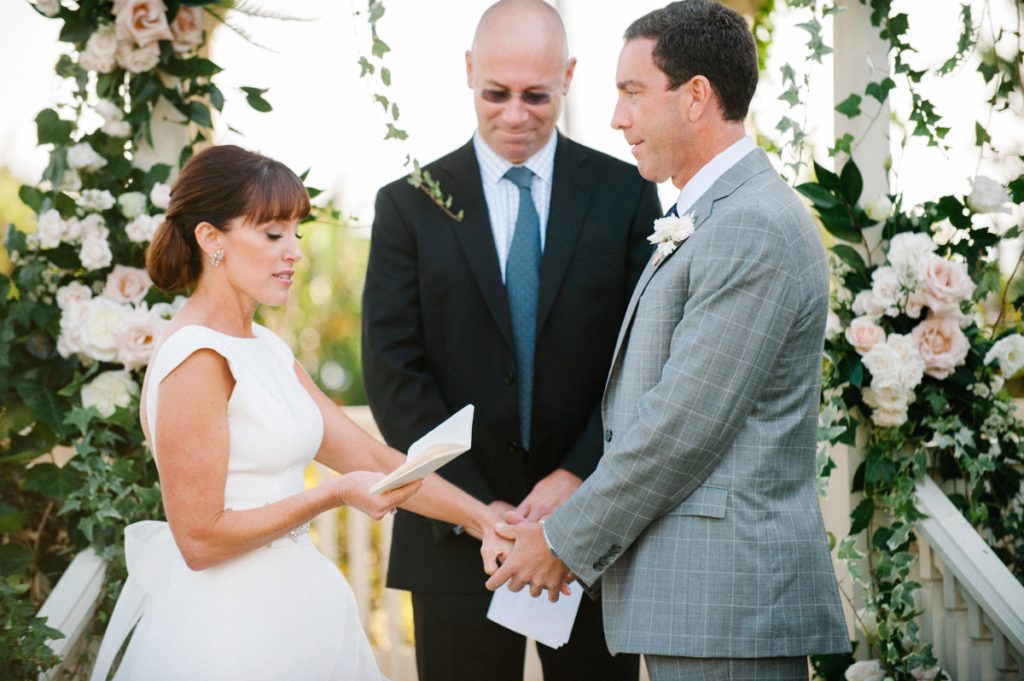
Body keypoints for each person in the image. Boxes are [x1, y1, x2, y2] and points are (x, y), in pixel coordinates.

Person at [485, 2, 852, 679]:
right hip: (700, 604)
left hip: (729, 607)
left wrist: (562, 540)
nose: (617, 119)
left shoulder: (750, 225)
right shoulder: (708, 215)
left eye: (630, 93)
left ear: (696, 97)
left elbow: (681, 425)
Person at [90, 145, 510, 681]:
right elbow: (198, 539)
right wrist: (331, 493)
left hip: (297, 610)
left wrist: (487, 521)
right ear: (210, 238)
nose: (294, 252)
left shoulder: (264, 347)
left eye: (297, 233)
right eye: (272, 234)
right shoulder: (195, 356)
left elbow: (372, 457)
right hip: (229, 630)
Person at [361, 0, 662, 678]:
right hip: (452, 540)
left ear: (569, 76)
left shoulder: (626, 193)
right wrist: (474, 507)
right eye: (496, 93)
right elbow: (392, 371)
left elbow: (644, 356)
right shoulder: (408, 204)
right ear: (468, 71)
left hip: (592, 531)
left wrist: (575, 475)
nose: (516, 114)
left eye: (537, 95)